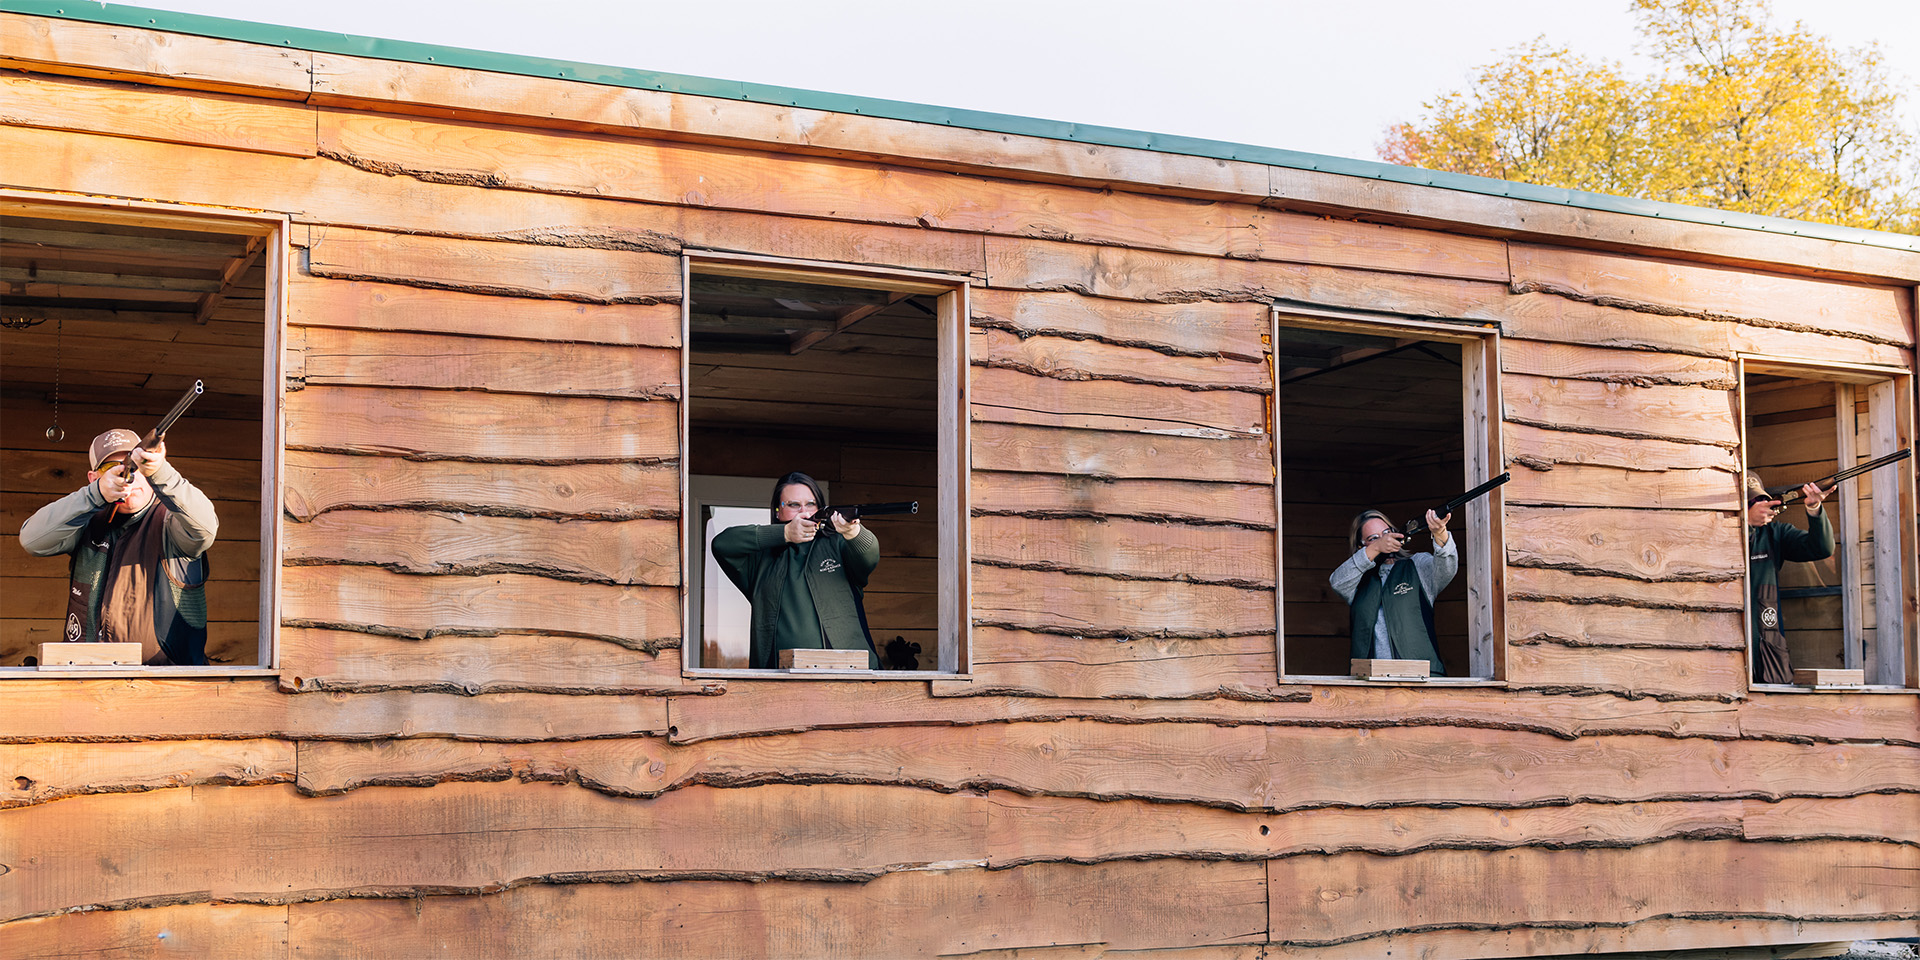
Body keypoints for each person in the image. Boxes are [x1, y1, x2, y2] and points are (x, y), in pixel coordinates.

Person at [19, 428, 218, 666]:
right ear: (94, 478)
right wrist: (95, 496)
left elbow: (205, 529)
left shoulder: (171, 522)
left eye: (136, 466)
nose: (128, 477)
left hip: (167, 689)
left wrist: (162, 473)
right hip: (87, 684)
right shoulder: (89, 521)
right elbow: (32, 540)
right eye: (112, 470)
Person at [710, 471, 881, 670]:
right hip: (780, 681)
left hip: (851, 675)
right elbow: (722, 544)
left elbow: (869, 555)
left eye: (811, 504)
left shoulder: (839, 544)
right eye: (793, 505)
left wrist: (853, 531)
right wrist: (785, 533)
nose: (805, 512)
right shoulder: (760, 559)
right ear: (777, 511)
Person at [1329, 507, 1456, 675]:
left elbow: (1447, 569)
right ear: (1362, 546)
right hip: (1370, 684)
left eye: (1386, 533)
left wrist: (1440, 533)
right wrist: (1376, 549)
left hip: (1422, 679)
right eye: (1373, 538)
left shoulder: (1417, 565)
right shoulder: (1357, 581)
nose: (1384, 540)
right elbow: (1337, 581)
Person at [1745, 472, 1834, 684]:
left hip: (1767, 650)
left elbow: (1821, 548)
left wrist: (1814, 508)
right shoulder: (1717, 532)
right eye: (1751, 501)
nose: (1760, 504)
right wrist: (1745, 522)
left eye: (1762, 499)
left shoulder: (1775, 533)